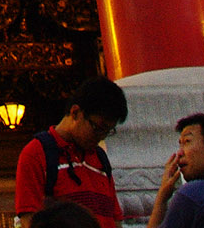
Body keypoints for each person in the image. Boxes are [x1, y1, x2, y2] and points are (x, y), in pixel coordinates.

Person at [14, 77, 128, 228]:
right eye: (98, 128)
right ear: (75, 113)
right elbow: (30, 220)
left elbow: (115, 219)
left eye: (108, 131)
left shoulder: (100, 158)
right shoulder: (36, 154)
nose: (101, 137)